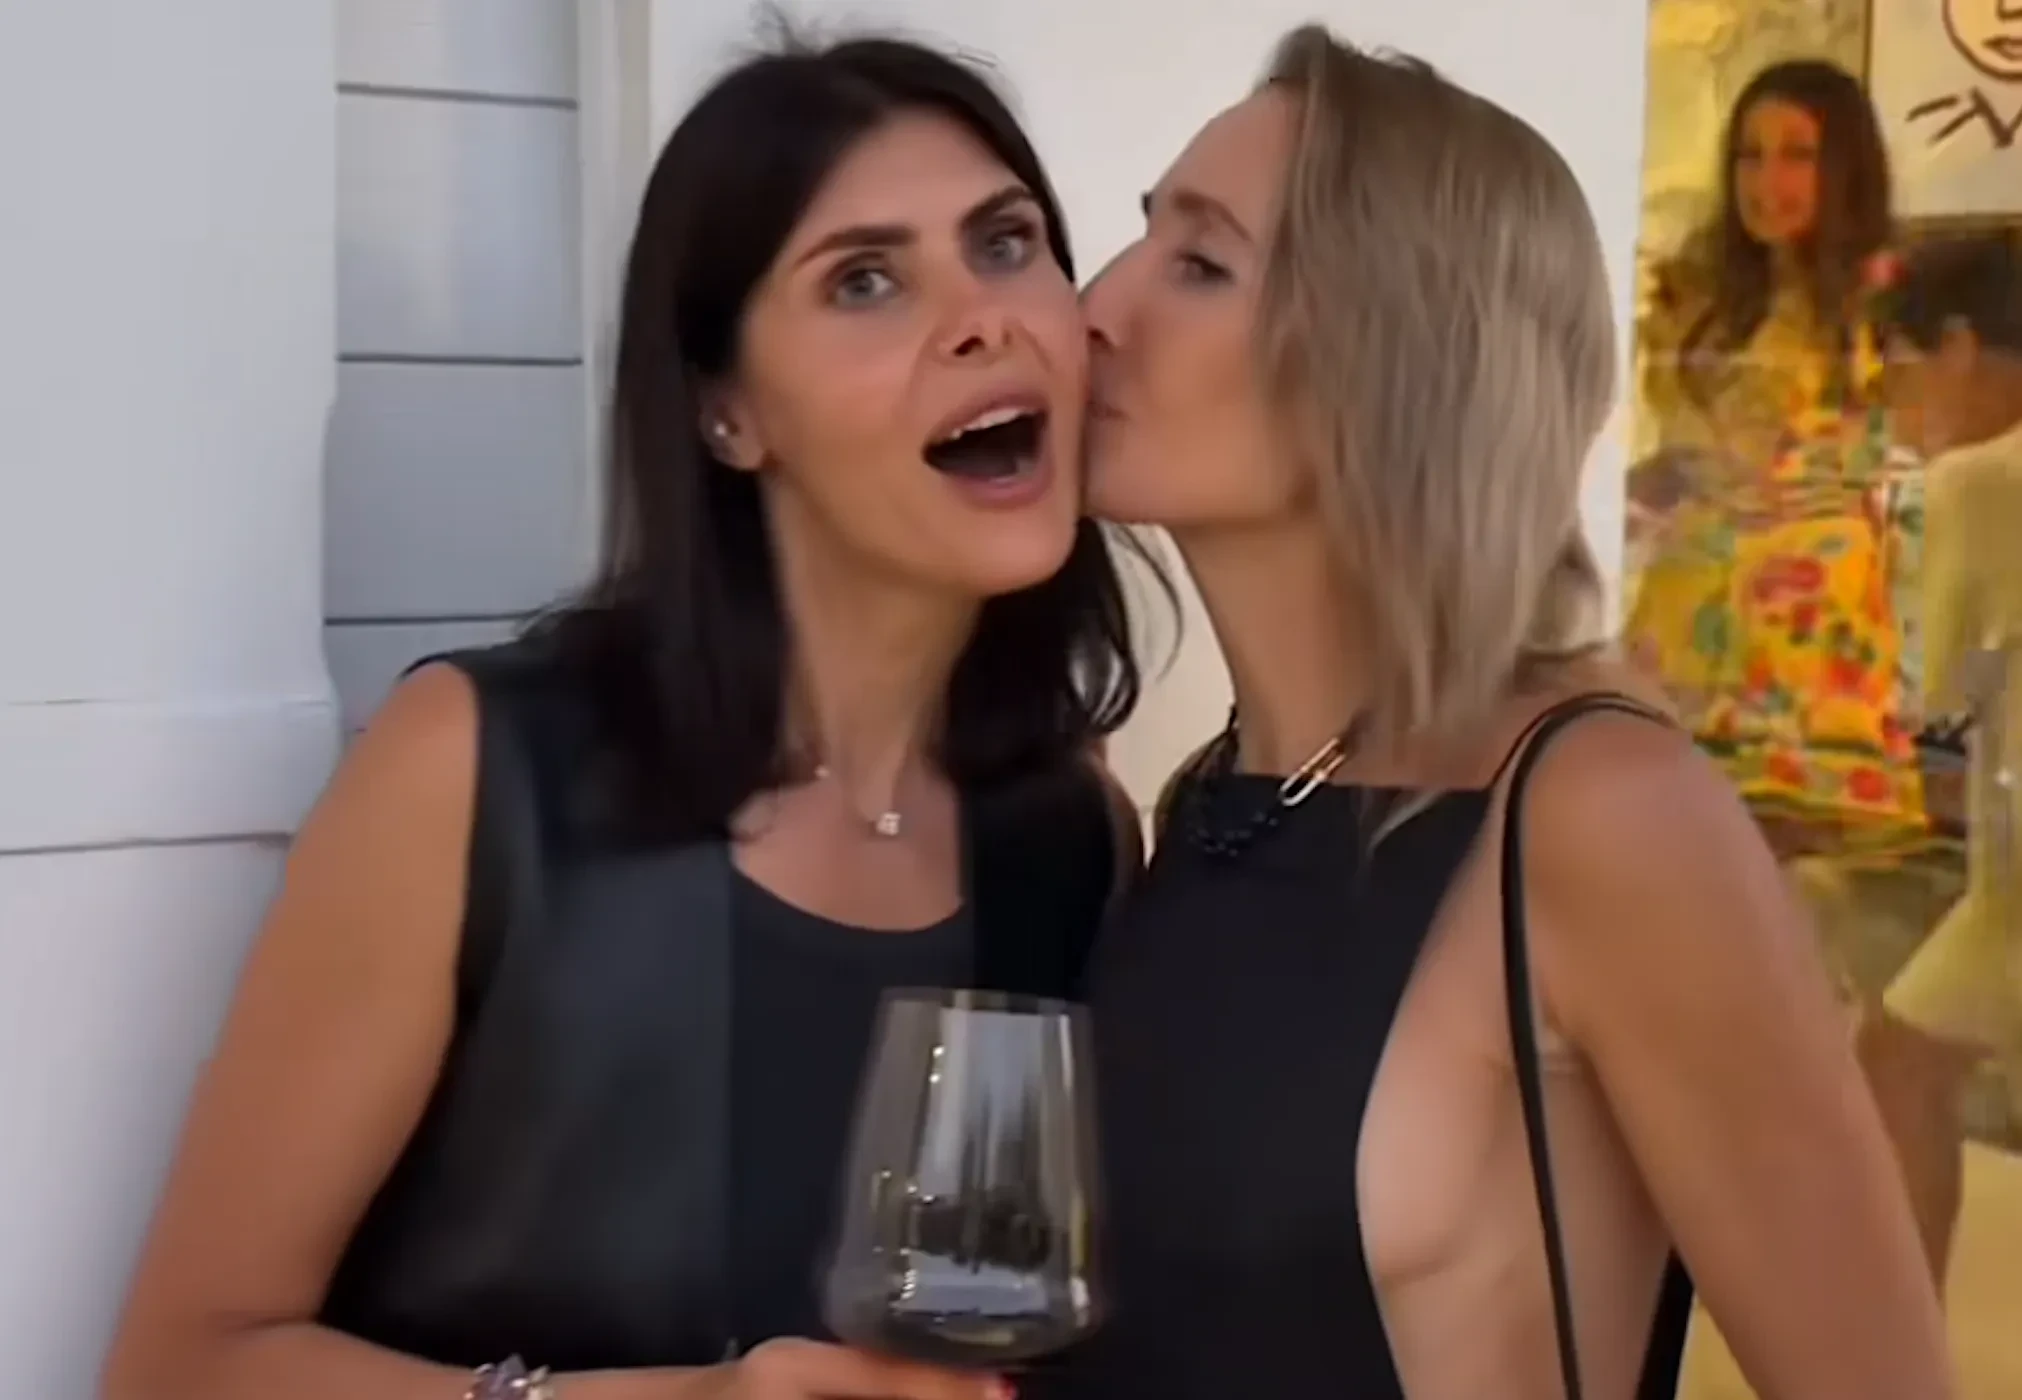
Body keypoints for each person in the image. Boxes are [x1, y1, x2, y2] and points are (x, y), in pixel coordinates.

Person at [99, 30, 1144, 1400]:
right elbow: (180, 1368)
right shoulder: (475, 772)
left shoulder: (1071, 841)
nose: (980, 318)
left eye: (1004, 244)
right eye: (865, 280)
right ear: (727, 414)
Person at [1040, 26, 1950, 1400]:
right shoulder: (1217, 805)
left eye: (1200, 263)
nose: (1095, 306)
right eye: (1141, 235)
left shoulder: (1600, 817)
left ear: (1391, 362)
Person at [1624, 60, 1925, 871]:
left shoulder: (1883, 297)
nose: (1767, 181)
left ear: (1844, 166)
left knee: (1788, 855)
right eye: (1750, 156)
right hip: (1693, 599)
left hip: (1809, 614)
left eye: (1798, 154)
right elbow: (1685, 451)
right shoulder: (1699, 294)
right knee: (1667, 849)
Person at [1860, 232, 2022, 1288]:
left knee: (1894, 1065)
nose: (1901, 408)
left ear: (1958, 348)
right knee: (1899, 1058)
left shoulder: (1975, 480)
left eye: (1903, 372)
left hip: (2014, 891)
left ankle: (1894, 1346)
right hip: (2003, 895)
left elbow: (1946, 692)